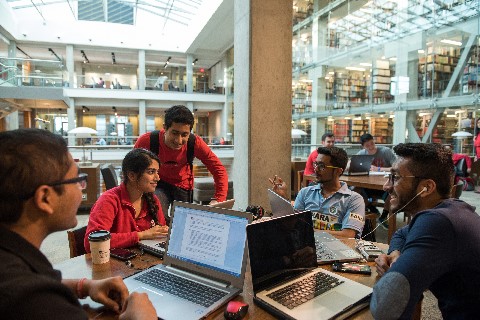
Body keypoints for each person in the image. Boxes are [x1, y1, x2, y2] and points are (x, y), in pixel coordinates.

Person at [0, 128, 156, 320]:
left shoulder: (15, 261)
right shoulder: (35, 303)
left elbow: (32, 280)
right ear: (45, 198)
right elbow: (30, 291)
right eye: (78, 180)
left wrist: (83, 286)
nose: (81, 190)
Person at [371, 143, 480, 319]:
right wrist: (396, 252)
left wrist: (399, 270)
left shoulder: (436, 222)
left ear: (427, 188)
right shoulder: (453, 211)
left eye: (395, 177)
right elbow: (401, 234)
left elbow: (387, 307)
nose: (386, 186)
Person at [134, 105, 228, 217]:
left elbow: (219, 169)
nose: (179, 140)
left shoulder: (195, 143)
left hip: (183, 185)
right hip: (158, 182)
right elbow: (131, 169)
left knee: (183, 222)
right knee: (157, 211)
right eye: (174, 133)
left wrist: (218, 199)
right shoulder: (147, 141)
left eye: (184, 135)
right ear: (165, 128)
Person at [84, 148, 168, 252]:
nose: (157, 178)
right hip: (114, 264)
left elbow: (161, 233)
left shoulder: (152, 200)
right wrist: (141, 235)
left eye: (157, 172)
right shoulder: (108, 200)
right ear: (132, 175)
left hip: (142, 260)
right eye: (151, 172)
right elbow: (92, 243)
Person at [271, 146, 365, 238]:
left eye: (322, 166)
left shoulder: (354, 199)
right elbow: (293, 224)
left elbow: (348, 234)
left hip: (335, 248)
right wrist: (283, 198)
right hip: (304, 247)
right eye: (315, 164)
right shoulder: (305, 193)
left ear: (338, 171)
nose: (316, 169)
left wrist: (309, 231)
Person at [355, 133, 396, 228]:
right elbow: (351, 164)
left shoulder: (385, 151)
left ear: (374, 141)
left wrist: (379, 169)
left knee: (392, 192)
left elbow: (396, 167)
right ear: (363, 147)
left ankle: (383, 216)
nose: (370, 147)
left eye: (372, 143)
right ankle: (372, 209)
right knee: (355, 190)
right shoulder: (362, 154)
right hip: (368, 184)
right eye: (367, 146)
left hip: (384, 184)